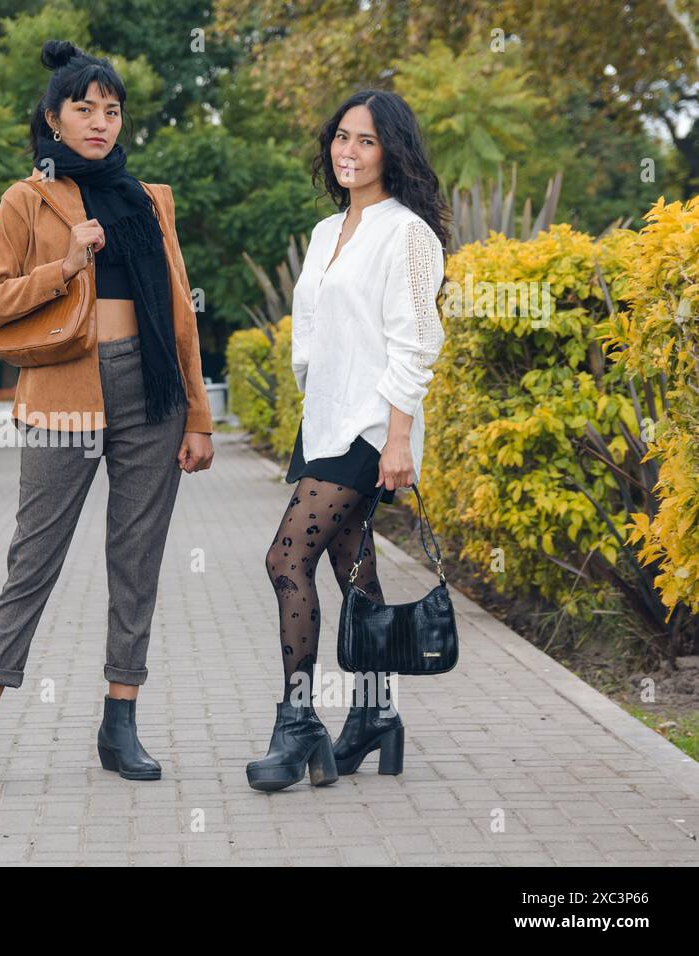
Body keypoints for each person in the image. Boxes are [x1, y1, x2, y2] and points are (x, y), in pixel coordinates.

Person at [0, 39, 215, 793]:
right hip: (66, 395)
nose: (100, 122)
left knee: (137, 563)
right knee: (34, 561)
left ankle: (119, 721)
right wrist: (64, 266)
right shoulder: (28, 199)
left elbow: (181, 317)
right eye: (84, 109)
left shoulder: (148, 200)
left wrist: (198, 416)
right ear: (53, 119)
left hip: (152, 396)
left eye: (112, 109)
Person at [246, 89, 449, 792]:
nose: (349, 152)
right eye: (341, 137)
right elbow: (314, 335)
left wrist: (399, 438)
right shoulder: (325, 230)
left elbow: (416, 341)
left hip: (369, 424)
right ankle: (375, 716)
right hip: (326, 418)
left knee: (282, 558)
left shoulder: (408, 234)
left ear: (392, 150)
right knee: (350, 570)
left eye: (365, 140)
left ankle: (298, 722)